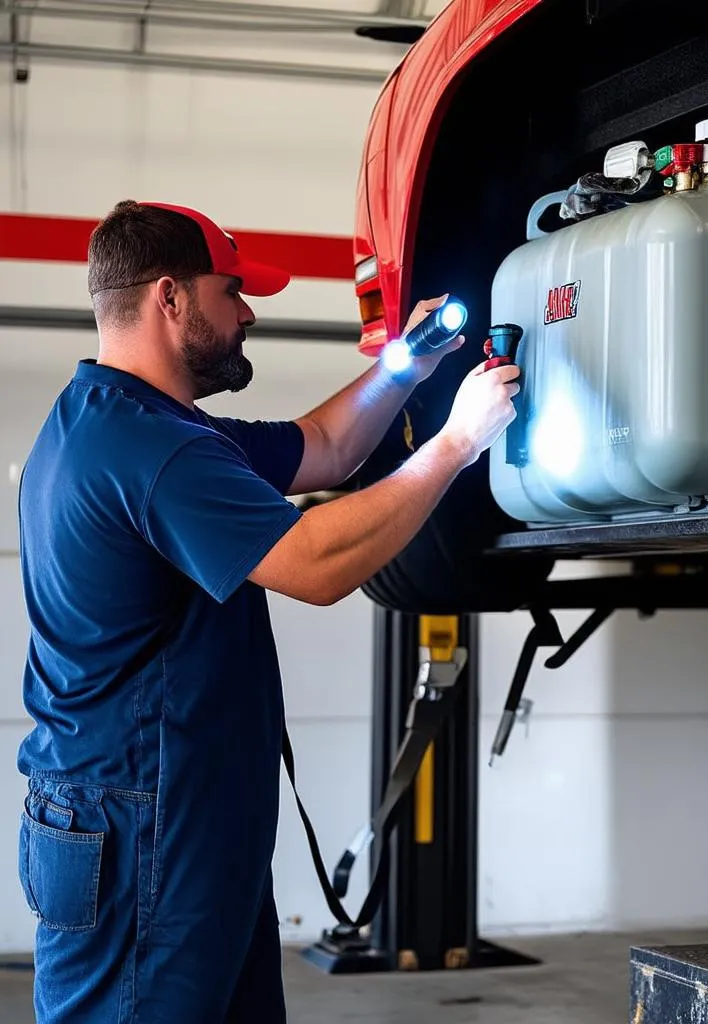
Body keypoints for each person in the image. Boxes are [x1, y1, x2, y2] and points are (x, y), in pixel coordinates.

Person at [15, 199, 520, 1022]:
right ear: (169, 298)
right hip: (143, 823)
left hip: (169, 819)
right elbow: (317, 564)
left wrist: (410, 363)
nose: (249, 311)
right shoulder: (153, 451)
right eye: (232, 291)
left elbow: (323, 446)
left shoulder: (128, 426)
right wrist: (458, 443)